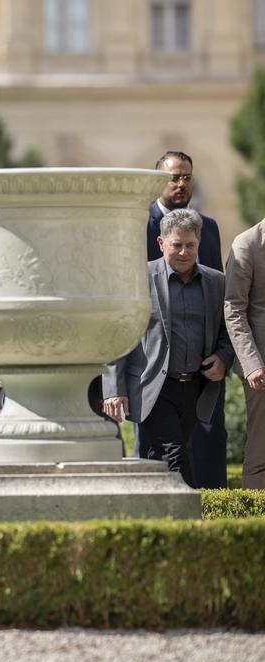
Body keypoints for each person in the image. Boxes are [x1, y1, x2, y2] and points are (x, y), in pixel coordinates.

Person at [104, 209, 233, 487]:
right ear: (162, 244)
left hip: (196, 388)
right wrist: (114, 389)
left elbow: (228, 330)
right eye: (177, 245)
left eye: (191, 245)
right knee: (174, 457)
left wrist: (223, 358)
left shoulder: (216, 282)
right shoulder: (138, 278)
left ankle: (155, 522)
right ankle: (191, 524)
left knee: (162, 460)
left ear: (199, 243)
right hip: (153, 387)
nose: (184, 252)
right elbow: (117, 334)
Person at [144, 151, 227, 488]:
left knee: (208, 446)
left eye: (186, 177)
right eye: (173, 177)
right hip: (156, 369)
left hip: (202, 367)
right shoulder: (139, 223)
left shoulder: (208, 228)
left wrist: (223, 355)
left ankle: (211, 521)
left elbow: (219, 297)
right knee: (160, 456)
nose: (180, 184)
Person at [224, 216, 265, 489]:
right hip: (262, 367)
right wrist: (251, 364)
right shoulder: (246, 244)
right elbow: (233, 309)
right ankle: (256, 518)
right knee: (262, 448)